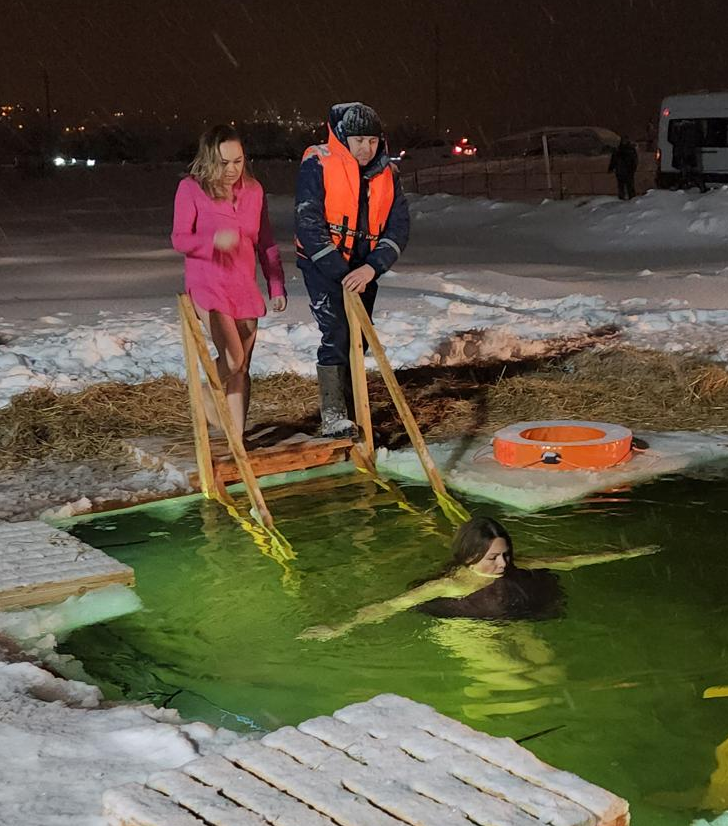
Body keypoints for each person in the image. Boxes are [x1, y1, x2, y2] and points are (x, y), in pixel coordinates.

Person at [299, 517, 660, 640]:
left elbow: (569, 561)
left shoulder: (512, 566)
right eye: (492, 558)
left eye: (505, 555)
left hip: (506, 619)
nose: (502, 563)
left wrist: (626, 553)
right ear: (471, 556)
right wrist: (339, 627)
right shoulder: (448, 585)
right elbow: (389, 606)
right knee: (508, 676)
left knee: (546, 670)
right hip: (466, 628)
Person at [295, 102, 410, 437]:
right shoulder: (318, 161)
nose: (366, 148)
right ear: (344, 136)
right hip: (323, 265)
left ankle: (355, 409)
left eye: (372, 141)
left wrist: (372, 268)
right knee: (336, 334)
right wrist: (338, 268)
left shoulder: (388, 172)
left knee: (359, 338)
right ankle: (334, 416)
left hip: (365, 269)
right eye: (359, 140)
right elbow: (308, 219)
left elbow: (398, 226)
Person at [171, 124, 285, 439]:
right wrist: (211, 241)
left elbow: (266, 241)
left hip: (242, 283)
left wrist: (276, 283)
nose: (233, 169)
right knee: (232, 357)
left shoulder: (254, 190)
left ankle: (237, 438)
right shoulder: (191, 189)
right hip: (208, 282)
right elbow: (179, 239)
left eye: (238, 161)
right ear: (210, 160)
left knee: (242, 367)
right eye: (224, 163)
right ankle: (206, 394)